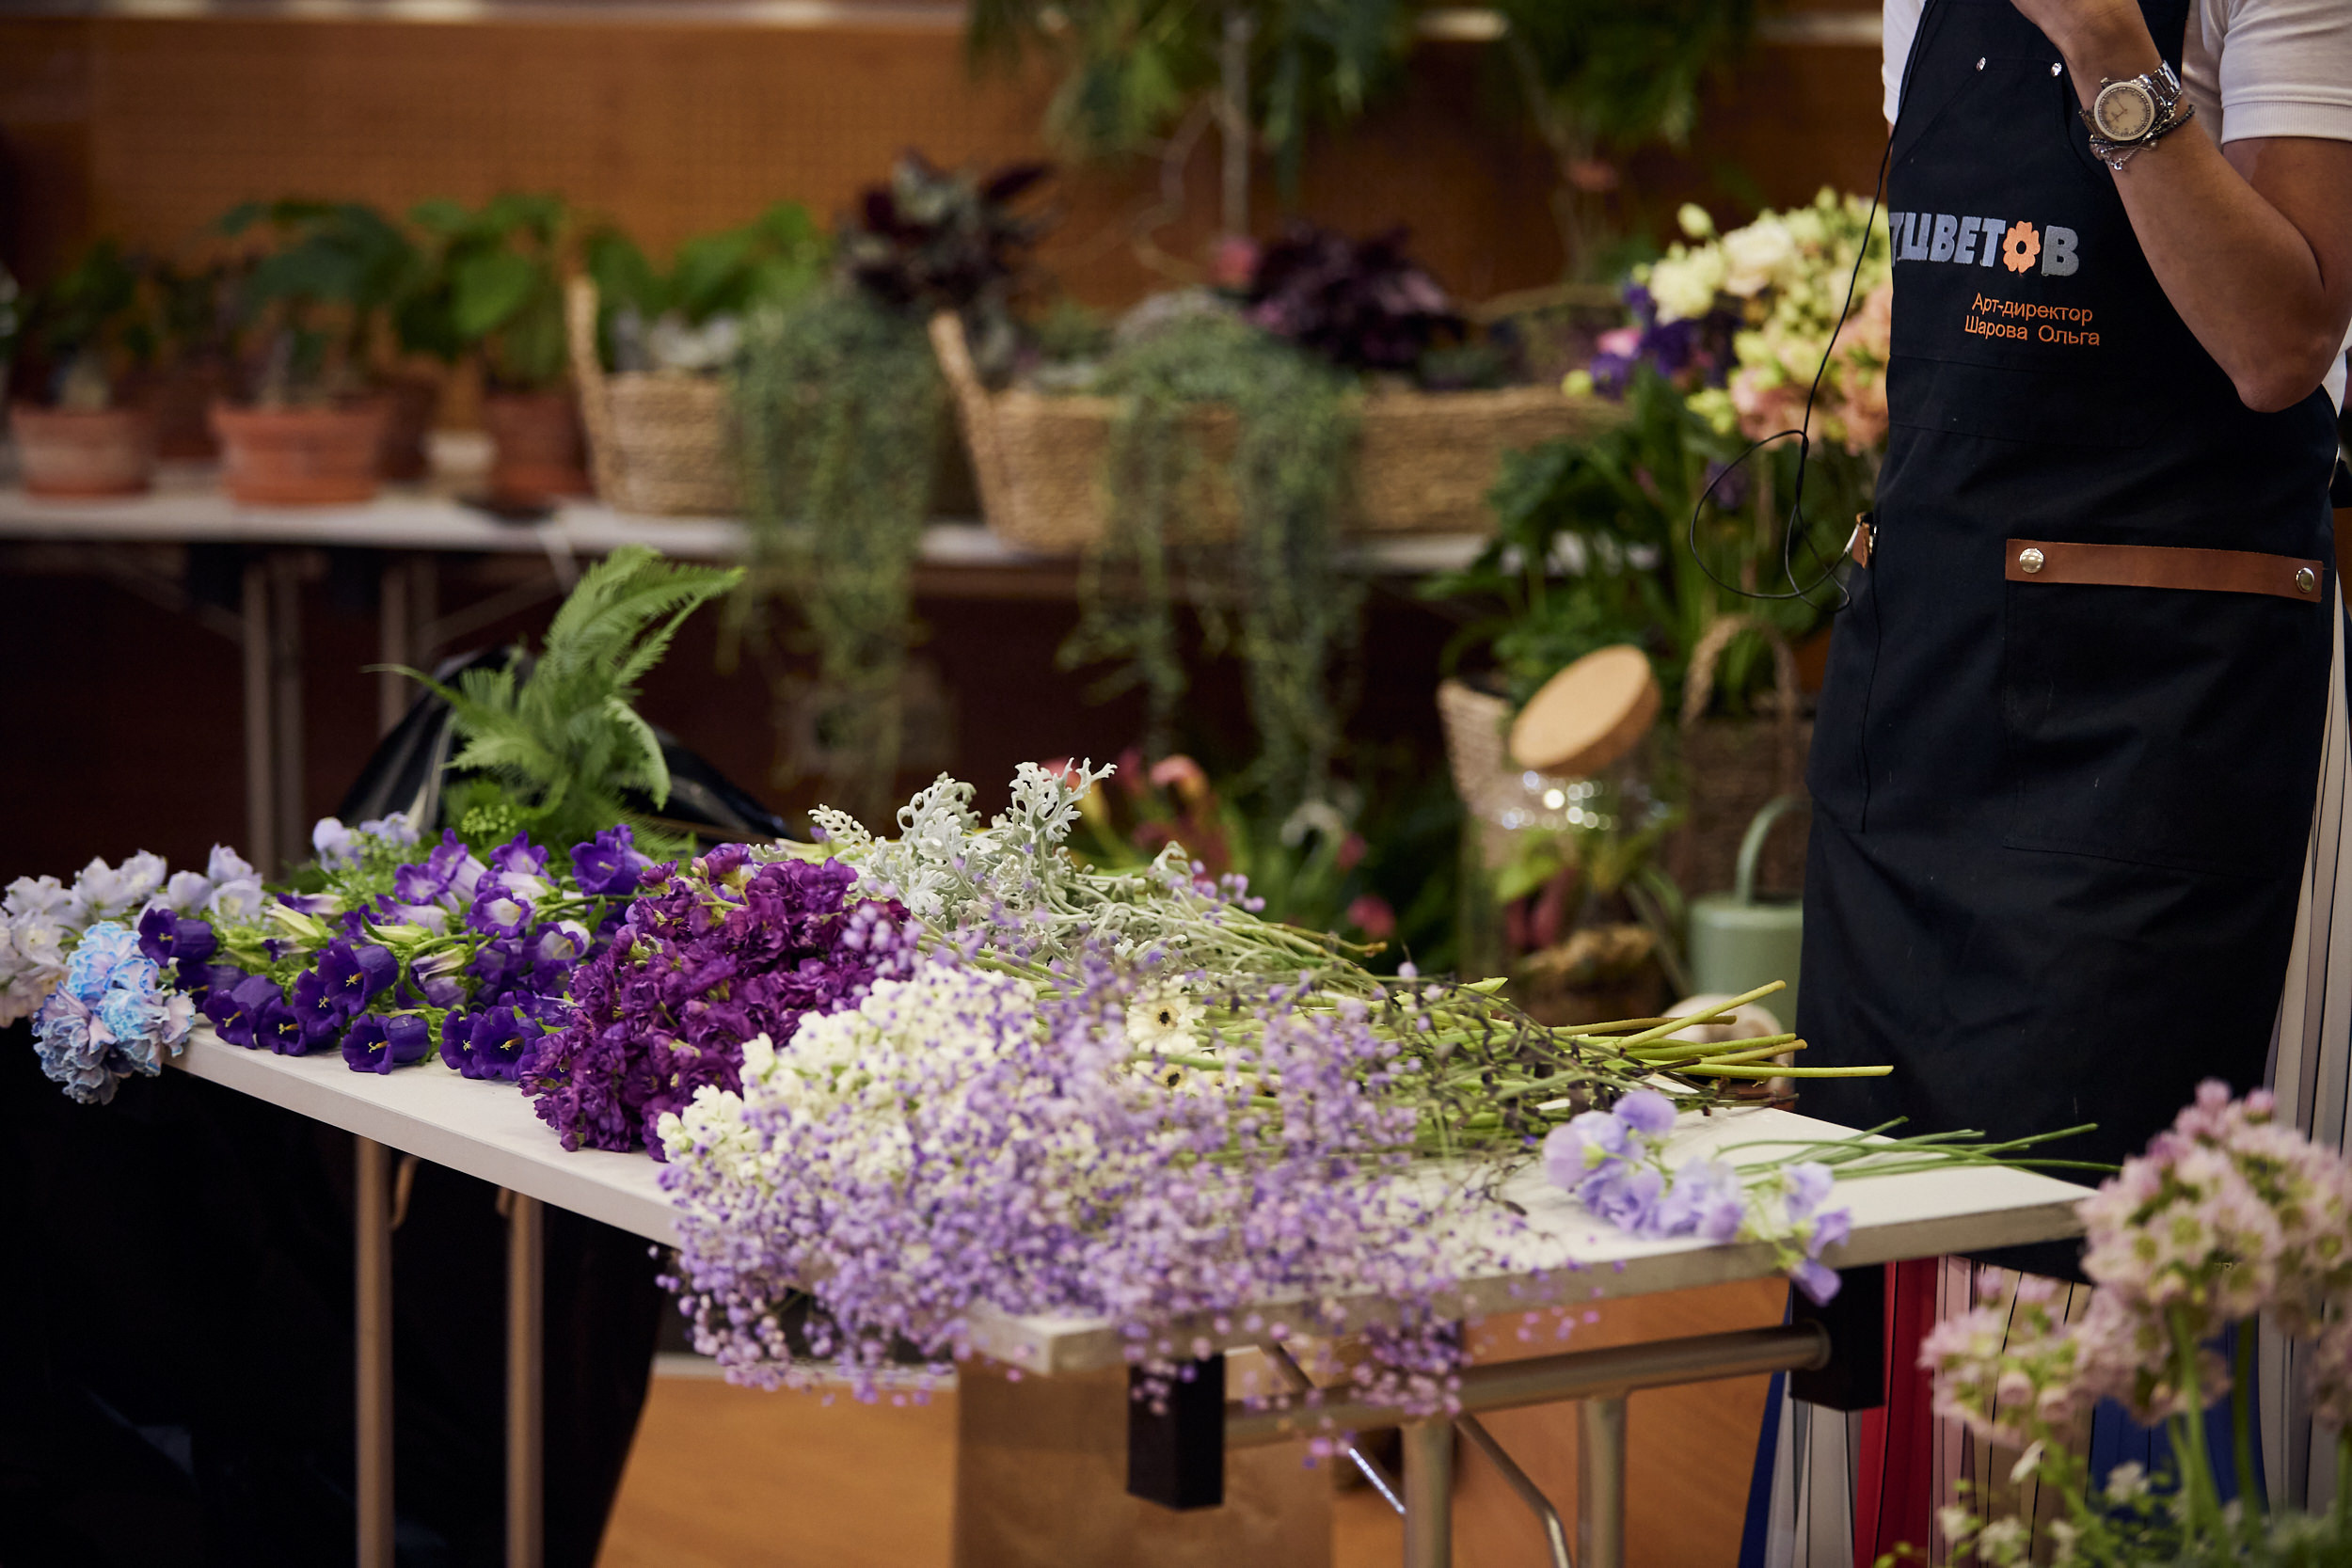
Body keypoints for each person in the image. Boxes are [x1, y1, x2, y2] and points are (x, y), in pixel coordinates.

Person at [1744, 0, 2352, 1560]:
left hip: (2165, 713)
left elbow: (2282, 343)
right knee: (1875, 1254)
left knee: (2145, 1244)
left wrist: (2101, 45)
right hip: (1927, 693)